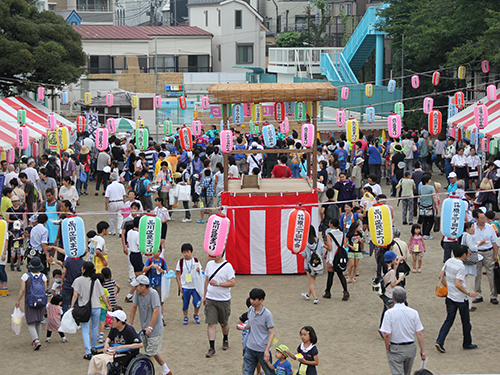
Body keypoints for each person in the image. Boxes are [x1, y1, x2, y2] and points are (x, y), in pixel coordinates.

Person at [435, 245, 480, 353]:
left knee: (449, 320)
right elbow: (458, 284)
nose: (468, 254)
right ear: (464, 254)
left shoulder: (449, 261)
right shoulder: (461, 266)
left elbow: (440, 276)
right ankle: (467, 343)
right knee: (465, 322)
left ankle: (440, 341)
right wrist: (469, 293)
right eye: (468, 253)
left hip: (450, 297)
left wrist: (447, 287)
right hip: (460, 298)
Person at [129, 275, 172, 375]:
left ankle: (150, 373)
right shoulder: (137, 293)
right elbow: (134, 307)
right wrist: (130, 323)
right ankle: (167, 371)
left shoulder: (153, 294)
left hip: (155, 330)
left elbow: (156, 311)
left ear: (143, 286)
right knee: (153, 351)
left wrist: (150, 327)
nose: (135, 288)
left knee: (149, 356)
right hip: (145, 329)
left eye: (137, 286)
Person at [380, 286, 426, 375]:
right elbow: (419, 333)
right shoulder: (414, 312)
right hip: (410, 347)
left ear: (393, 299)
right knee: (407, 372)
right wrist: (422, 350)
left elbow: (386, 334)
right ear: (406, 298)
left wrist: (387, 347)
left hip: (396, 347)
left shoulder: (389, 313)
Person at [87, 309, 143, 375]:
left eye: (113, 320)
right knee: (94, 358)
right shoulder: (114, 328)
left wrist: (123, 347)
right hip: (113, 352)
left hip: (125, 354)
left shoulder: (129, 330)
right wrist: (106, 343)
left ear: (119, 322)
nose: (111, 321)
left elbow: (140, 344)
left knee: (105, 361)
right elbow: (109, 338)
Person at [203, 250, 236, 358]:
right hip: (210, 298)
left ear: (221, 253)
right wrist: (204, 295)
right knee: (211, 323)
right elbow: (206, 280)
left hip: (223, 300)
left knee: (223, 323)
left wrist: (218, 284)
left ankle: (225, 338)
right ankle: (211, 347)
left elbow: (232, 283)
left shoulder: (228, 266)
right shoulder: (209, 264)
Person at [71, 261, 106, 359]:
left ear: (84, 269)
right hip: (97, 307)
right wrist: (108, 305)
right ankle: (93, 348)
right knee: (95, 328)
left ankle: (88, 352)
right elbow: (102, 296)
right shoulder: (96, 280)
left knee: (85, 330)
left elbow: (75, 296)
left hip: (84, 308)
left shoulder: (78, 280)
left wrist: (71, 307)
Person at [14, 256, 47, 350]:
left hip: (30, 301)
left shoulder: (26, 276)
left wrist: (18, 300)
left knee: (30, 322)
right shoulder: (43, 276)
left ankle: (36, 340)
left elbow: (22, 290)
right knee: (38, 321)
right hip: (41, 301)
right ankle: (37, 339)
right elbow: (44, 290)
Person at [240, 288, 275, 375]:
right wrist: (243, 327)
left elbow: (272, 333)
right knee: (246, 372)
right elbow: (249, 325)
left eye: (254, 299)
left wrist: (267, 350)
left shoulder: (267, 315)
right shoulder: (251, 310)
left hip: (262, 350)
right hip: (250, 348)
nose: (251, 301)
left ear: (261, 300)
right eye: (251, 298)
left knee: (269, 372)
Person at [472, 208, 499, 305]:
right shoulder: (472, 228)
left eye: (484, 218)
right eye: (481, 218)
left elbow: (494, 242)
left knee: (491, 274)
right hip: (477, 252)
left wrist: (496, 255)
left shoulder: (489, 227)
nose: (483, 220)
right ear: (476, 219)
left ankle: (493, 295)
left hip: (488, 252)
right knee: (476, 275)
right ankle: (478, 294)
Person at [175, 243, 202, 325]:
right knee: (185, 302)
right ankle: (185, 316)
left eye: (188, 252)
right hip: (185, 286)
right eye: (184, 252)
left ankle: (196, 314)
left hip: (195, 286)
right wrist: (180, 286)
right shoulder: (180, 262)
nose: (186, 254)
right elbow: (177, 274)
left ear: (191, 252)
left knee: (197, 302)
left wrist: (198, 271)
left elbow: (201, 271)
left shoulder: (196, 260)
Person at [323, 218, 349, 301]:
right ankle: (345, 291)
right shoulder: (342, 233)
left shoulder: (329, 234)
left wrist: (324, 246)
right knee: (340, 274)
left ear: (331, 224)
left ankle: (328, 292)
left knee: (330, 275)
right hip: (339, 256)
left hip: (332, 256)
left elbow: (330, 248)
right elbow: (345, 245)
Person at [461, 222, 483, 311]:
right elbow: (473, 248)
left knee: (466, 285)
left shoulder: (464, 236)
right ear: (467, 229)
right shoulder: (468, 236)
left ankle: (466, 304)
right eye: (472, 227)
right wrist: (480, 243)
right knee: (469, 286)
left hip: (466, 264)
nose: (474, 229)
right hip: (470, 265)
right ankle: (468, 306)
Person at [143, 248, 168, 324]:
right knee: (150, 301)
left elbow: (166, 271)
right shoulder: (149, 260)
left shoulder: (163, 261)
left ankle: (161, 317)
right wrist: (151, 266)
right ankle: (150, 317)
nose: (157, 253)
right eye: (156, 251)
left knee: (160, 301)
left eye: (158, 251)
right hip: (151, 283)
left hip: (160, 284)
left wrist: (162, 271)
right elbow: (144, 269)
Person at [300, 226, 324, 304]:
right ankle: (308, 295)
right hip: (317, 265)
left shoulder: (305, 243)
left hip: (308, 265)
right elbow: (322, 252)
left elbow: (304, 254)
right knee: (313, 280)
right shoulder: (318, 241)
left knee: (311, 282)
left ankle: (315, 298)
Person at [418, 175, 437, 240]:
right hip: (429, 206)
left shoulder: (421, 188)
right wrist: (436, 206)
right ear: (428, 180)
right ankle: (426, 233)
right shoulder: (431, 188)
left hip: (422, 207)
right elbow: (434, 197)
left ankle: (424, 233)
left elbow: (420, 197)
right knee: (431, 221)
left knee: (425, 221)